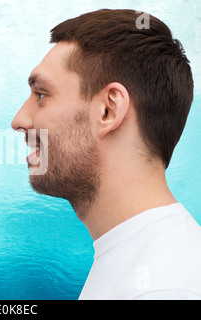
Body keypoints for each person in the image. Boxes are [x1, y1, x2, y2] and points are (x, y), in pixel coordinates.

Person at [11, 9, 201, 300]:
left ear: (108, 111)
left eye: (41, 95)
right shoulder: (138, 258)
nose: (19, 120)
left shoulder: (164, 288)